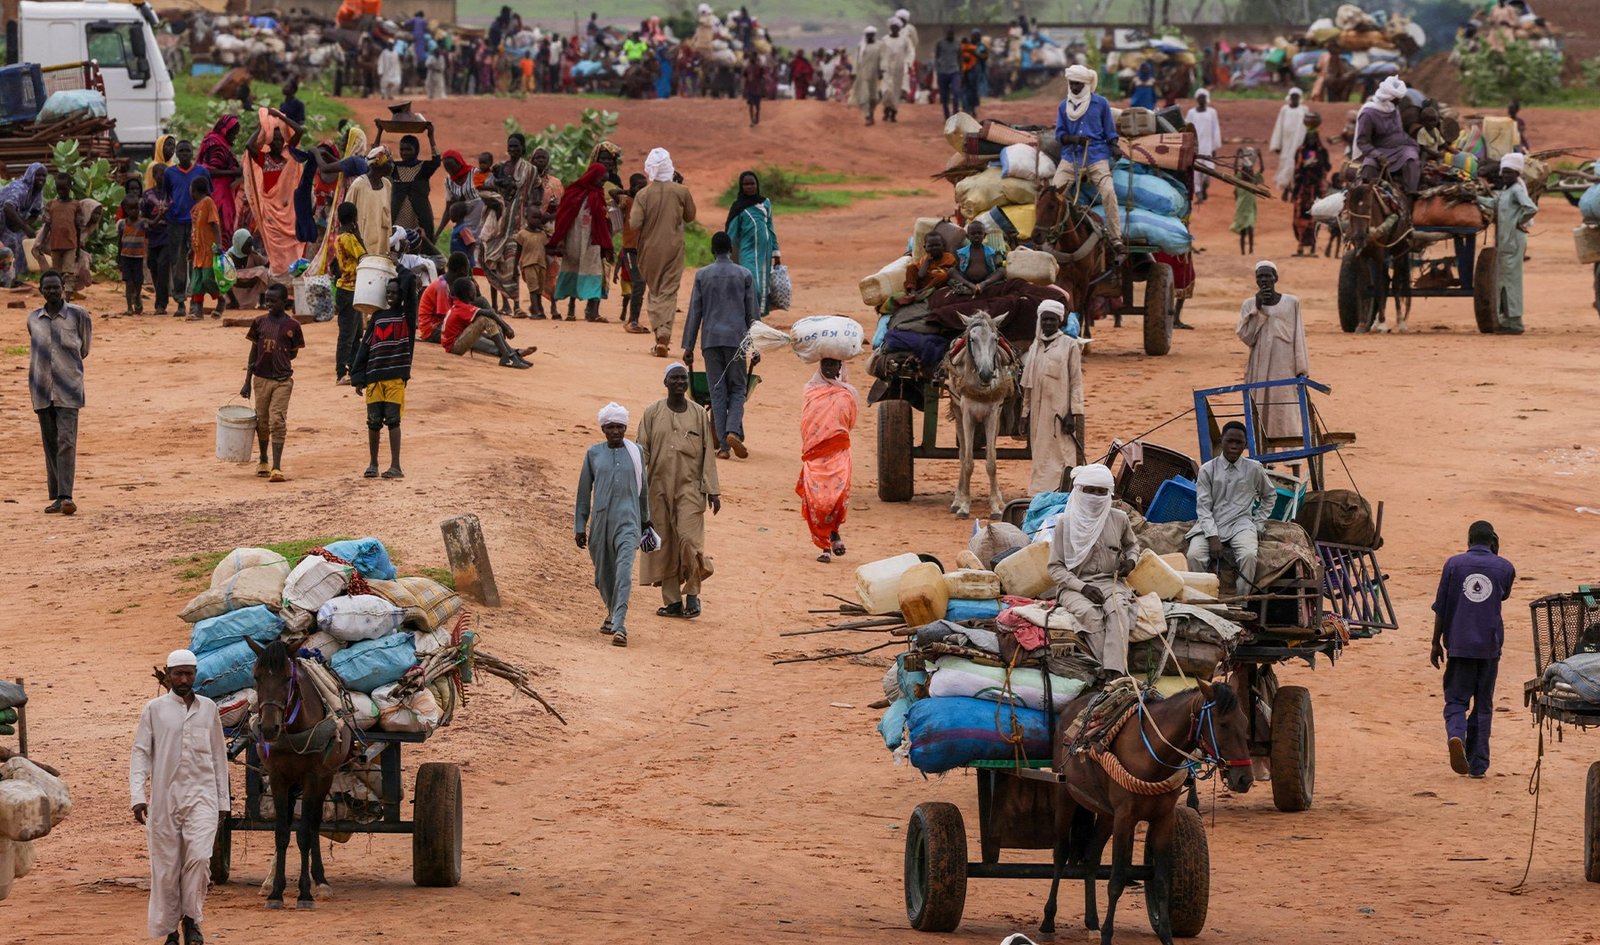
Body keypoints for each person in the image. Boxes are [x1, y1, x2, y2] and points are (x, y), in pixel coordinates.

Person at [130, 649, 229, 945]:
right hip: (164, 800)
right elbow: (141, 753)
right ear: (168, 674)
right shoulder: (154, 709)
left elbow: (218, 756)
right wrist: (138, 795)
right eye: (178, 674)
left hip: (203, 798)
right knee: (166, 867)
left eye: (189, 673)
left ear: (195, 674)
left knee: (199, 858)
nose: (184, 679)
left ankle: (192, 919)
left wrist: (223, 802)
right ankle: (171, 930)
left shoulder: (209, 708)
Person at [1431, 520, 1514, 779]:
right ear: (1493, 540)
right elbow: (1502, 595)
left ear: (1468, 539)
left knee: (1456, 699)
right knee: (1483, 705)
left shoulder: (1453, 565)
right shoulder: (1505, 567)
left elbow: (1441, 607)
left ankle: (1456, 734)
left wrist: (1435, 642)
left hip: (1458, 644)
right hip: (1489, 646)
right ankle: (1478, 764)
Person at [638, 363, 721, 619]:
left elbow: (708, 454)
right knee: (666, 545)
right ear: (665, 382)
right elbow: (642, 452)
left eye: (683, 379)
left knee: (689, 541)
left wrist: (713, 491)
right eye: (674, 378)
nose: (679, 383)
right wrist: (635, 486)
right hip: (658, 488)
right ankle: (672, 602)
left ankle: (693, 593)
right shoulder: (652, 413)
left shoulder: (698, 414)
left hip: (691, 488)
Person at [1047, 463, 1140, 683]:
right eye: (1090, 490)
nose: (1095, 496)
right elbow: (1055, 568)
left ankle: (1116, 673)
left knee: (1118, 611)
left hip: (1111, 582)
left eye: (1101, 491)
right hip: (1074, 586)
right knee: (1090, 616)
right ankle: (1107, 673)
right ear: (1079, 491)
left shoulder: (1119, 518)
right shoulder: (1065, 523)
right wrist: (1083, 588)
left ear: (1109, 493)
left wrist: (1131, 562)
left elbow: (1133, 546)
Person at [576, 402, 657, 647]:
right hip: (601, 523)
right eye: (610, 427)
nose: (615, 432)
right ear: (603, 428)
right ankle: (612, 613)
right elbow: (583, 492)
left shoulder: (636, 453)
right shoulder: (593, 454)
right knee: (603, 576)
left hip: (629, 522)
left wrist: (645, 520)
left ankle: (620, 626)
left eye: (620, 427)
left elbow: (643, 491)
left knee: (623, 573)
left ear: (625, 427)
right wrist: (580, 525)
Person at [682, 231, 760, 459]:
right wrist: (756, 347)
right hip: (737, 340)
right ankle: (732, 431)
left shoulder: (702, 275)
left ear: (712, 250)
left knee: (717, 390)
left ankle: (723, 448)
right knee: (738, 388)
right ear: (731, 251)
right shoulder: (744, 274)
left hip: (711, 340)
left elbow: (695, 311)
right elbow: (752, 313)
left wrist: (688, 346)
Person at [1184, 421, 1275, 596]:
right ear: (1222, 441)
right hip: (1210, 522)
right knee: (1194, 556)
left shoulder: (1254, 468)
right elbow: (1203, 508)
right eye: (1229, 441)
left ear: (1245, 444)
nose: (1233, 446)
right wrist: (1212, 536)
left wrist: (1258, 524)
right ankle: (1202, 601)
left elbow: (1270, 495)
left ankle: (1241, 602)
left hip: (1241, 524)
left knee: (1248, 556)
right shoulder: (1207, 470)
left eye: (1238, 443)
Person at [28, 270, 89, 515]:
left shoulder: (78, 315)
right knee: (50, 443)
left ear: (63, 288)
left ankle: (66, 496)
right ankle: (56, 496)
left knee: (66, 441)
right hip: (41, 388)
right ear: (41, 290)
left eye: (56, 287)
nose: (52, 291)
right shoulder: (33, 318)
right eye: (47, 288)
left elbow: (84, 348)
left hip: (69, 388)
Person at [1048, 65, 1123, 252]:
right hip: (1070, 157)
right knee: (1054, 194)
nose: (1074, 87)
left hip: (1097, 156)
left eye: (1078, 84)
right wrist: (1074, 139)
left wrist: (1114, 146)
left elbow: (1110, 132)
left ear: (1087, 84)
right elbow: (1060, 135)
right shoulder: (1063, 106)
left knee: (1108, 193)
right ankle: (1051, 235)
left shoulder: (1101, 103)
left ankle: (1115, 238)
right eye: (1072, 83)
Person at [630, 149, 697, 355]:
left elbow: (634, 223)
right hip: (674, 248)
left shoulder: (643, 194)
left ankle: (660, 332)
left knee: (655, 291)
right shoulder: (681, 191)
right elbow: (690, 216)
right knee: (668, 291)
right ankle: (664, 333)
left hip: (648, 250)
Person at [1237, 261, 1308, 442]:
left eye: (1268, 276)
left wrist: (1302, 370)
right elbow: (1247, 337)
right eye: (1260, 276)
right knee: (1259, 411)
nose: (1264, 280)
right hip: (1258, 369)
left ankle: (1295, 464)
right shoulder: (1249, 305)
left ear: (1275, 278)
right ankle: (1264, 462)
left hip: (1285, 367)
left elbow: (1298, 336)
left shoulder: (1291, 302)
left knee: (1287, 413)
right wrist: (1258, 308)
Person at [350, 277, 414, 479]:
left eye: (395, 292)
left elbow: (411, 285)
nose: (391, 295)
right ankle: (373, 464)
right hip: (374, 376)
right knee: (373, 421)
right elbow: (365, 346)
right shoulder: (377, 317)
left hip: (395, 377)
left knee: (394, 421)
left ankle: (396, 466)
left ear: (402, 295)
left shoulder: (407, 317)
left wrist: (399, 267)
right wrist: (358, 375)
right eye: (388, 292)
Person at [241, 283, 304, 482]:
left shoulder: (293, 326)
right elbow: (253, 353)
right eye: (266, 300)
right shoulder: (259, 323)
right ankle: (263, 459)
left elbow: (293, 353)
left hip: (282, 380)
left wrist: (280, 361)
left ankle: (277, 467)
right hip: (260, 379)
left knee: (277, 420)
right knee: (262, 420)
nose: (268, 304)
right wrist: (246, 381)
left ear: (284, 302)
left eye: (273, 301)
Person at [1020, 299, 1083, 494]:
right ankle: (1039, 494)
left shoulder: (1069, 345)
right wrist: (1025, 413)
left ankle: (1062, 492)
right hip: (1039, 415)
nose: (1048, 323)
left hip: (1061, 412)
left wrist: (1073, 413)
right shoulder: (1035, 347)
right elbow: (1028, 386)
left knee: (1061, 455)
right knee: (1040, 455)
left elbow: (1076, 382)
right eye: (1045, 319)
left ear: (1059, 321)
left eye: (1052, 320)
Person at [797, 357, 856, 563]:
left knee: (836, 499)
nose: (830, 369)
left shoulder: (847, 393)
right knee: (817, 501)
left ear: (841, 367)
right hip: (815, 454)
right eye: (826, 365)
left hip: (838, 452)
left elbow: (850, 422)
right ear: (820, 367)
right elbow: (806, 421)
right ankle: (824, 547)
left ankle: (834, 533)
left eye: (834, 365)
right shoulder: (811, 391)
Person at [241, 107, 309, 279]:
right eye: (275, 139)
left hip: (290, 212)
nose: (278, 142)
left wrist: (279, 117)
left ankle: (293, 282)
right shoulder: (264, 159)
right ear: (269, 141)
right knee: (276, 252)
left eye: (281, 139)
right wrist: (264, 125)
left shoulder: (290, 154)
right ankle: (279, 282)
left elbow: (300, 130)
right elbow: (249, 145)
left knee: (294, 246)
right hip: (271, 212)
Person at [1476, 152, 1538, 335]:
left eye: (1509, 173)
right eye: (1504, 173)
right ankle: (1507, 319)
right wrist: (1474, 198)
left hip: (1513, 240)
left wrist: (1519, 222)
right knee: (1503, 280)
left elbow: (1531, 208)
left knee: (1511, 281)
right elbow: (1494, 203)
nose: (1505, 176)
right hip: (1506, 240)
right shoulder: (1506, 191)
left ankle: (1515, 322)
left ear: (1517, 174)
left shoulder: (1517, 190)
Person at [551, 160, 615, 323]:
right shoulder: (574, 191)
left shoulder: (598, 195)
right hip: (573, 238)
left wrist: (606, 244)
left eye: (604, 181)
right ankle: (571, 310)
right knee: (572, 269)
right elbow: (563, 216)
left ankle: (592, 312)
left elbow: (602, 221)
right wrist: (559, 239)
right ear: (593, 177)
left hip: (592, 240)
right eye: (601, 180)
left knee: (594, 272)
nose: (602, 184)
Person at [440, 275, 533, 368]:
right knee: (485, 320)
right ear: (468, 293)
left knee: (489, 322)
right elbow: (490, 313)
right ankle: (507, 356)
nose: (475, 291)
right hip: (454, 346)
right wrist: (506, 328)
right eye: (473, 289)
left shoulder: (460, 305)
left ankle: (512, 354)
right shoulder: (462, 307)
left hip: (457, 340)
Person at [1355, 76, 1421, 197]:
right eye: (1397, 100)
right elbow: (1362, 142)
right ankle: (1368, 198)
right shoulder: (1368, 114)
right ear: (1388, 98)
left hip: (1401, 147)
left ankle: (1410, 196)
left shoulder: (1393, 108)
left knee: (1412, 159)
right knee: (1369, 167)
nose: (1399, 102)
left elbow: (1398, 131)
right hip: (1378, 151)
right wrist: (1377, 155)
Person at [725, 170, 780, 317]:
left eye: (752, 184)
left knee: (763, 285)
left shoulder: (765, 203)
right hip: (747, 251)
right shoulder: (738, 207)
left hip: (765, 251)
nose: (749, 187)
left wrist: (776, 252)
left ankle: (757, 318)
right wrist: (724, 253)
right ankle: (750, 316)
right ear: (741, 186)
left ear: (757, 185)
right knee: (752, 285)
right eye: (746, 184)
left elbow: (770, 227)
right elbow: (731, 232)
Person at [330, 201, 366, 381]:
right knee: (347, 334)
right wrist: (358, 233)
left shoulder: (339, 236)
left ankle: (352, 368)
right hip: (349, 289)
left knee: (356, 332)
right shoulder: (349, 238)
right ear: (354, 218)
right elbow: (364, 255)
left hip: (349, 289)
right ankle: (341, 372)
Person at [1289, 112, 1331, 257]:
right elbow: (1297, 171)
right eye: (1310, 137)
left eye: (1314, 137)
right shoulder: (1301, 151)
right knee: (1300, 218)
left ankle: (1313, 247)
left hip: (1316, 190)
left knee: (1315, 218)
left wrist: (1317, 165)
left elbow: (1327, 167)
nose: (1312, 140)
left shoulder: (1322, 152)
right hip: (1303, 189)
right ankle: (1300, 246)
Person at [389, 130, 441, 243]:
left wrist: (431, 136)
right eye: (402, 149)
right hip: (398, 215)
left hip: (420, 216)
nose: (404, 153)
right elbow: (377, 160)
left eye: (408, 149)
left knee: (420, 243)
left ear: (416, 150)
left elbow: (437, 160)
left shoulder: (424, 168)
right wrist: (379, 132)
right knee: (398, 242)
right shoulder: (394, 168)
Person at [198, 116, 244, 239]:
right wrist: (233, 173)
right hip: (217, 192)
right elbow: (208, 170)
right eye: (233, 133)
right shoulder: (215, 143)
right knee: (219, 227)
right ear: (226, 130)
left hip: (223, 191)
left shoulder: (220, 143)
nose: (235, 136)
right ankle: (217, 257)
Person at [0, 162, 45, 286]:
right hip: (3, 218)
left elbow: (36, 212)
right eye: (38, 175)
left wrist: (23, 225)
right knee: (8, 247)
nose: (41, 179)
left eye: (43, 176)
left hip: (13, 222)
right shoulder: (19, 187)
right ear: (30, 175)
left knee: (18, 247)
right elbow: (8, 207)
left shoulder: (36, 192)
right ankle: (6, 280)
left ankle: (11, 279)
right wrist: (25, 227)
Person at [615, 172, 649, 333]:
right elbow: (612, 192)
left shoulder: (647, 203)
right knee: (639, 283)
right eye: (639, 187)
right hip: (630, 249)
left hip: (644, 249)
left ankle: (634, 319)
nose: (643, 190)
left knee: (641, 285)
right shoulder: (627, 201)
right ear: (633, 187)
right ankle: (632, 320)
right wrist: (628, 192)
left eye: (645, 186)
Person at [38, 172, 82, 294]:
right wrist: (41, 242)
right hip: (55, 245)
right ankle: (58, 295)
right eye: (59, 189)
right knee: (56, 273)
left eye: (64, 189)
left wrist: (78, 247)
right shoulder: (51, 205)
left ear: (70, 187)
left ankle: (67, 297)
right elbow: (47, 225)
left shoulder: (76, 205)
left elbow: (78, 227)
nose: (61, 192)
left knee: (68, 273)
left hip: (70, 245)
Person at [186, 176, 223, 320]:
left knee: (208, 279)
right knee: (196, 283)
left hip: (208, 250)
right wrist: (191, 248)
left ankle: (221, 300)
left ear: (194, 190)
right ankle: (198, 311)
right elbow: (195, 229)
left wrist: (219, 244)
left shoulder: (208, 202)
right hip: (198, 251)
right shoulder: (195, 207)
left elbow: (214, 224)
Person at [346, 149, 394, 260]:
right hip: (362, 239)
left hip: (381, 238)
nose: (392, 166)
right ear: (377, 164)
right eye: (389, 162)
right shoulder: (358, 185)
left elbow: (388, 212)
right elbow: (347, 213)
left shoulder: (387, 184)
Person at [1269, 88, 1308, 196]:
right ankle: (1285, 185)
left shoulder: (1304, 110)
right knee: (1285, 161)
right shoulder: (1284, 109)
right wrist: (1276, 145)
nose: (1294, 99)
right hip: (1285, 142)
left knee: (1295, 163)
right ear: (1289, 97)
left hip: (1298, 142)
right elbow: (1278, 127)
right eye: (1293, 97)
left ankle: (1293, 186)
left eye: (1296, 97)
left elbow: (1305, 128)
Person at [949, 220, 1004, 296]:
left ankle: (982, 285)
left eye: (979, 233)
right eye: (973, 233)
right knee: (951, 271)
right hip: (967, 280)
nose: (976, 235)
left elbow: (993, 267)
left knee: (1001, 271)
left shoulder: (990, 252)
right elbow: (959, 267)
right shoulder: (962, 252)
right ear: (968, 236)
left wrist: (986, 281)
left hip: (985, 279)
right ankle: (971, 286)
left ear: (984, 235)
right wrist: (966, 281)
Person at [1185, 89, 1222, 203]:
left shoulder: (1212, 112)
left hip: (1208, 147)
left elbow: (1216, 130)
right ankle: (1198, 192)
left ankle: (1204, 188)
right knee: (1196, 171)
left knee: (1208, 171)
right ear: (1197, 99)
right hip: (1195, 147)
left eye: (1203, 97)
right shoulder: (1191, 113)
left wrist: (1214, 147)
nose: (1202, 100)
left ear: (1206, 99)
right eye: (1200, 97)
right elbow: (1187, 129)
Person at [115, 193, 147, 316]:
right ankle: (129, 307)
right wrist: (118, 257)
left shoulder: (142, 222)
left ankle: (137, 296)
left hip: (138, 257)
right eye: (132, 209)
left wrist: (161, 214)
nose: (135, 211)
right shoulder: (122, 224)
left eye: (137, 208)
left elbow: (153, 223)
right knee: (129, 283)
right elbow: (120, 241)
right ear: (126, 210)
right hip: (126, 257)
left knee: (138, 282)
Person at [880, 20, 912, 124]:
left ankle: (893, 112)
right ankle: (886, 109)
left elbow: (910, 52)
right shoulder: (884, 40)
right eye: (892, 27)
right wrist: (879, 67)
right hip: (886, 68)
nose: (894, 29)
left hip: (899, 69)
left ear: (899, 28)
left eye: (896, 27)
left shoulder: (904, 40)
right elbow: (880, 54)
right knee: (886, 91)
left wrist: (908, 64)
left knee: (895, 91)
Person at [1231, 148, 1262, 256]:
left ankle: (1251, 250)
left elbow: (1262, 170)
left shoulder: (1254, 182)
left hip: (1251, 209)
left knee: (1250, 229)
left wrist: (1260, 156)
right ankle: (1243, 252)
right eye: (1246, 171)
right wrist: (1237, 155)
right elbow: (1235, 169)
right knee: (1243, 232)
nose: (1248, 173)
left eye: (1250, 171)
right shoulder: (1239, 181)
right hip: (1241, 209)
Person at [850, 26, 883, 126]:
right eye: (868, 35)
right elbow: (856, 60)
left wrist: (881, 70)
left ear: (874, 35)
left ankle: (871, 113)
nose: (869, 37)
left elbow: (882, 59)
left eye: (871, 35)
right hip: (863, 74)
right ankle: (867, 116)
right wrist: (854, 73)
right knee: (865, 96)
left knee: (874, 98)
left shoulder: (880, 45)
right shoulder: (861, 46)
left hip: (875, 74)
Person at [743, 53, 767, 127]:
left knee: (757, 106)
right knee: (751, 105)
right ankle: (752, 120)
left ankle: (756, 117)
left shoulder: (759, 67)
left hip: (757, 88)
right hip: (751, 88)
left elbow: (763, 76)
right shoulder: (748, 67)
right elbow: (745, 77)